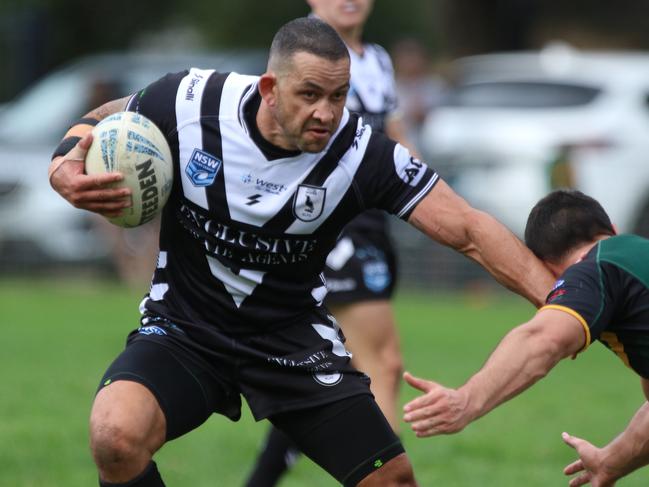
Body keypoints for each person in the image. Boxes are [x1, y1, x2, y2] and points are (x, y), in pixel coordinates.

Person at [49, 17, 553, 487]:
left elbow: (467, 228)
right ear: (269, 89)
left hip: (290, 341)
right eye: (309, 94)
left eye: (338, 96)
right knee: (115, 435)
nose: (326, 113)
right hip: (185, 330)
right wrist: (64, 164)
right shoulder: (191, 100)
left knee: (392, 479)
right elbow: (108, 114)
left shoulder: (359, 152)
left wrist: (561, 302)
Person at [244, 2, 422, 484]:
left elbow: (394, 135)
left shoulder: (378, 60)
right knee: (382, 363)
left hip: (375, 223)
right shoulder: (304, 58)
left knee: (321, 372)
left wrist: (427, 191)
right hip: (337, 222)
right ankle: (383, 477)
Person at [402, 189, 649, 487]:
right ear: (613, 231)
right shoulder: (637, 258)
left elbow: (542, 338)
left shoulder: (592, 270)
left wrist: (466, 400)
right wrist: (610, 462)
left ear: (546, 267)